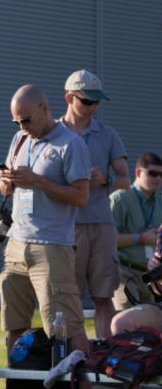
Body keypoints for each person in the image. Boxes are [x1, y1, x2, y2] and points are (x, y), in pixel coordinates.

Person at [0, 84, 92, 389]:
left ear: (44, 107)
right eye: (16, 122)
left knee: (64, 324)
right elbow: (7, 183)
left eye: (25, 119)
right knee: (13, 323)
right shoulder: (20, 140)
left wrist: (37, 181)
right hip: (17, 244)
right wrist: (6, 181)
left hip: (52, 246)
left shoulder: (71, 144)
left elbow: (80, 197)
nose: (22, 126)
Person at [60, 69, 129, 337]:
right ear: (69, 98)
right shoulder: (53, 133)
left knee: (104, 298)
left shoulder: (108, 134)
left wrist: (106, 179)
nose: (93, 107)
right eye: (87, 101)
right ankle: (72, 360)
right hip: (67, 227)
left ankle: (105, 363)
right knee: (70, 298)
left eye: (97, 101)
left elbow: (126, 179)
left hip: (102, 224)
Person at [110, 153, 162, 310]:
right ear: (138, 173)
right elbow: (108, 239)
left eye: (161, 174)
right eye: (152, 173)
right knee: (126, 326)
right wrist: (142, 238)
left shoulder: (159, 202)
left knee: (149, 330)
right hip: (124, 272)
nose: (158, 178)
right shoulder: (120, 198)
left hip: (151, 276)